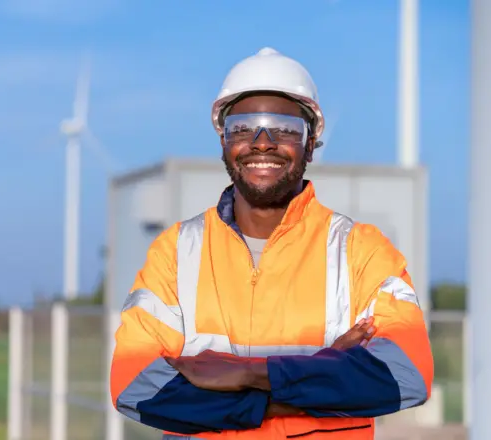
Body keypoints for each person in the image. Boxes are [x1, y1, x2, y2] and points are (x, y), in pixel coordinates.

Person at [109, 47, 433, 439]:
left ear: (311, 144)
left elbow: (406, 375)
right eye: (243, 128)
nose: (262, 142)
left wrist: (249, 372)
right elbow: (135, 385)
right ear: (224, 142)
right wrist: (322, 370)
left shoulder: (361, 251)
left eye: (284, 128)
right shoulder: (176, 252)